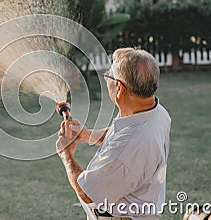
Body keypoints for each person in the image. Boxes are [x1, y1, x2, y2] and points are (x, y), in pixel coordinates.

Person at [56, 48, 171, 220]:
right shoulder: (155, 111)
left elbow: (88, 193)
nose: (107, 79)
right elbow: (121, 133)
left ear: (119, 88)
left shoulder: (130, 147)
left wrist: (65, 153)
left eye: (109, 76)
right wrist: (87, 135)